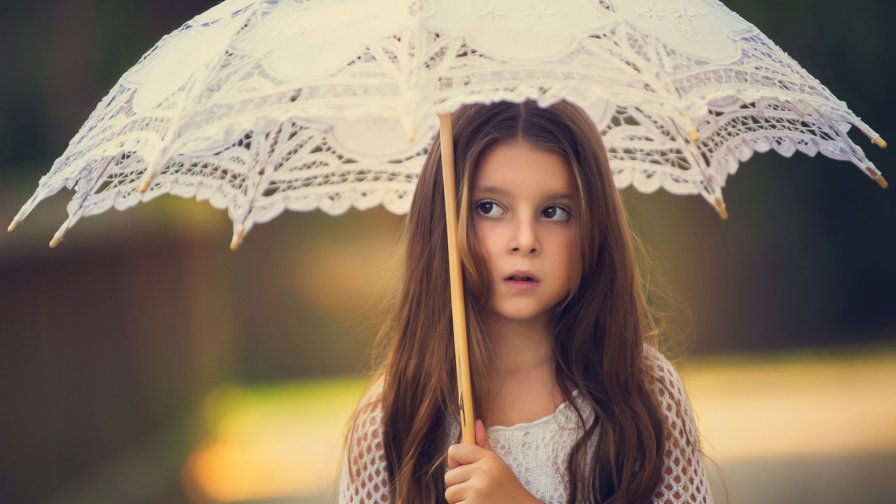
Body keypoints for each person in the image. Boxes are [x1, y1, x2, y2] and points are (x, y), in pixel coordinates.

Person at [338, 100, 712, 503]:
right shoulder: (392, 418)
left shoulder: (642, 391)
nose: (525, 240)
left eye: (554, 211)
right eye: (490, 208)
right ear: (443, 217)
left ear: (594, 226)